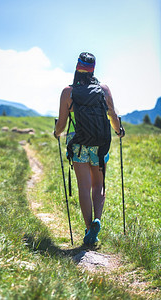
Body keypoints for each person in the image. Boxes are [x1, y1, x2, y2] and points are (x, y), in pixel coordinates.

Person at [54, 52, 125, 245]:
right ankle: (97, 221)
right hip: (100, 144)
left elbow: (61, 124)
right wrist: (119, 131)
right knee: (98, 186)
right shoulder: (104, 90)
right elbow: (112, 115)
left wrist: (56, 132)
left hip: (78, 145)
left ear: (77, 67)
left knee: (84, 187)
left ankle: (88, 229)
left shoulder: (68, 92)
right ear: (93, 69)